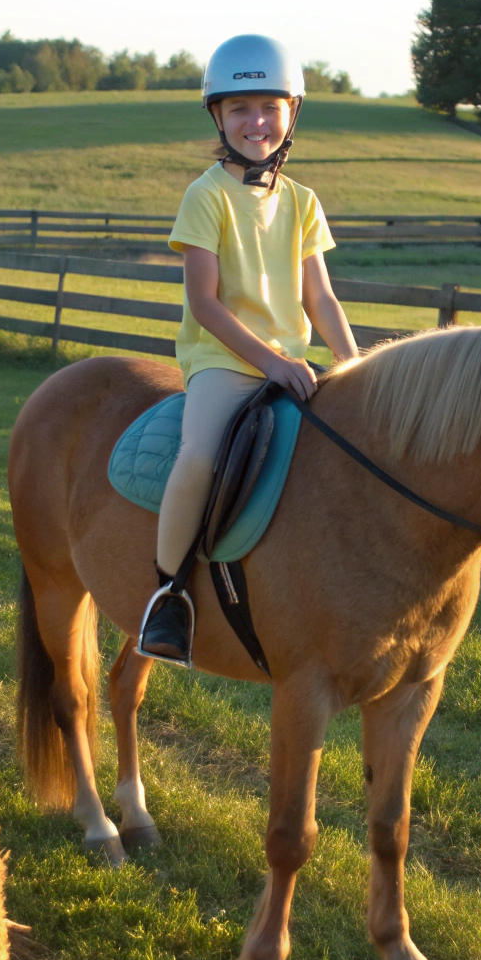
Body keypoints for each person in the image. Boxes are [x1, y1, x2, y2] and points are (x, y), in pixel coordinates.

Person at [138, 34, 359, 666]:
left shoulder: (302, 201)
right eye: (239, 108)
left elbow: (322, 300)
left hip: (296, 363)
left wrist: (355, 365)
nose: (255, 122)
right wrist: (273, 362)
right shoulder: (205, 195)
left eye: (269, 106)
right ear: (217, 115)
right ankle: (169, 596)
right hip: (225, 362)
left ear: (292, 113)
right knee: (200, 456)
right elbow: (206, 304)